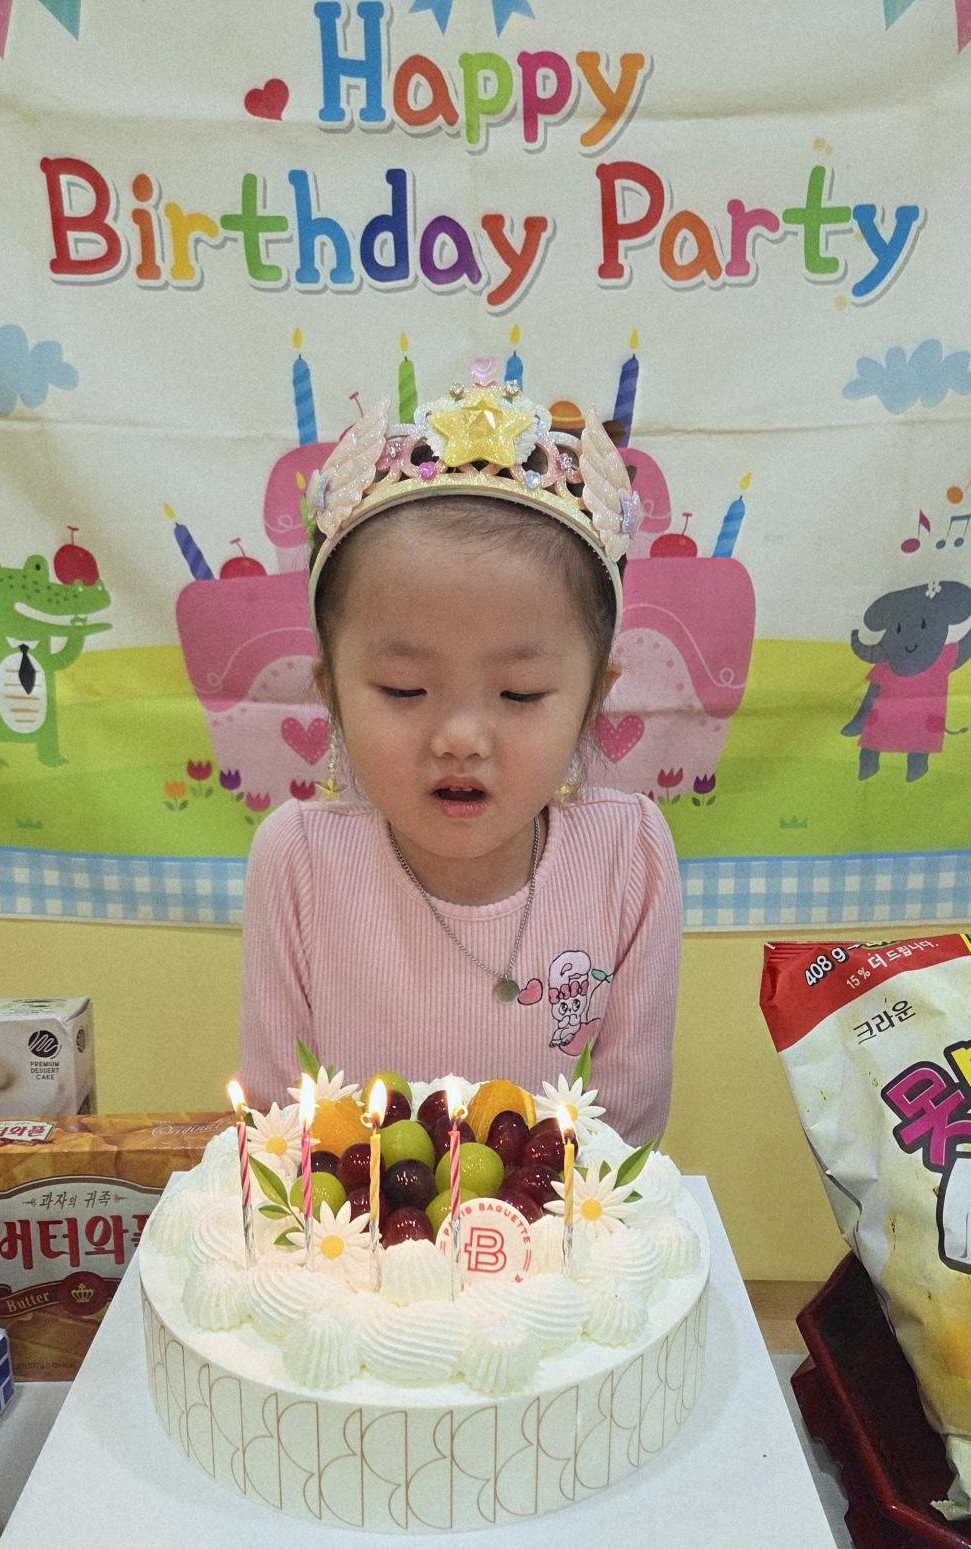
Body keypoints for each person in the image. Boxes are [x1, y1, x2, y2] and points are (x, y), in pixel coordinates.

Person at [239, 358, 682, 1143]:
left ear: (592, 700)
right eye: (404, 690)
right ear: (331, 693)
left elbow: (624, 1127)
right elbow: (278, 1129)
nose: (459, 739)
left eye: (520, 694)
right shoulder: (298, 860)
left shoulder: (629, 852)